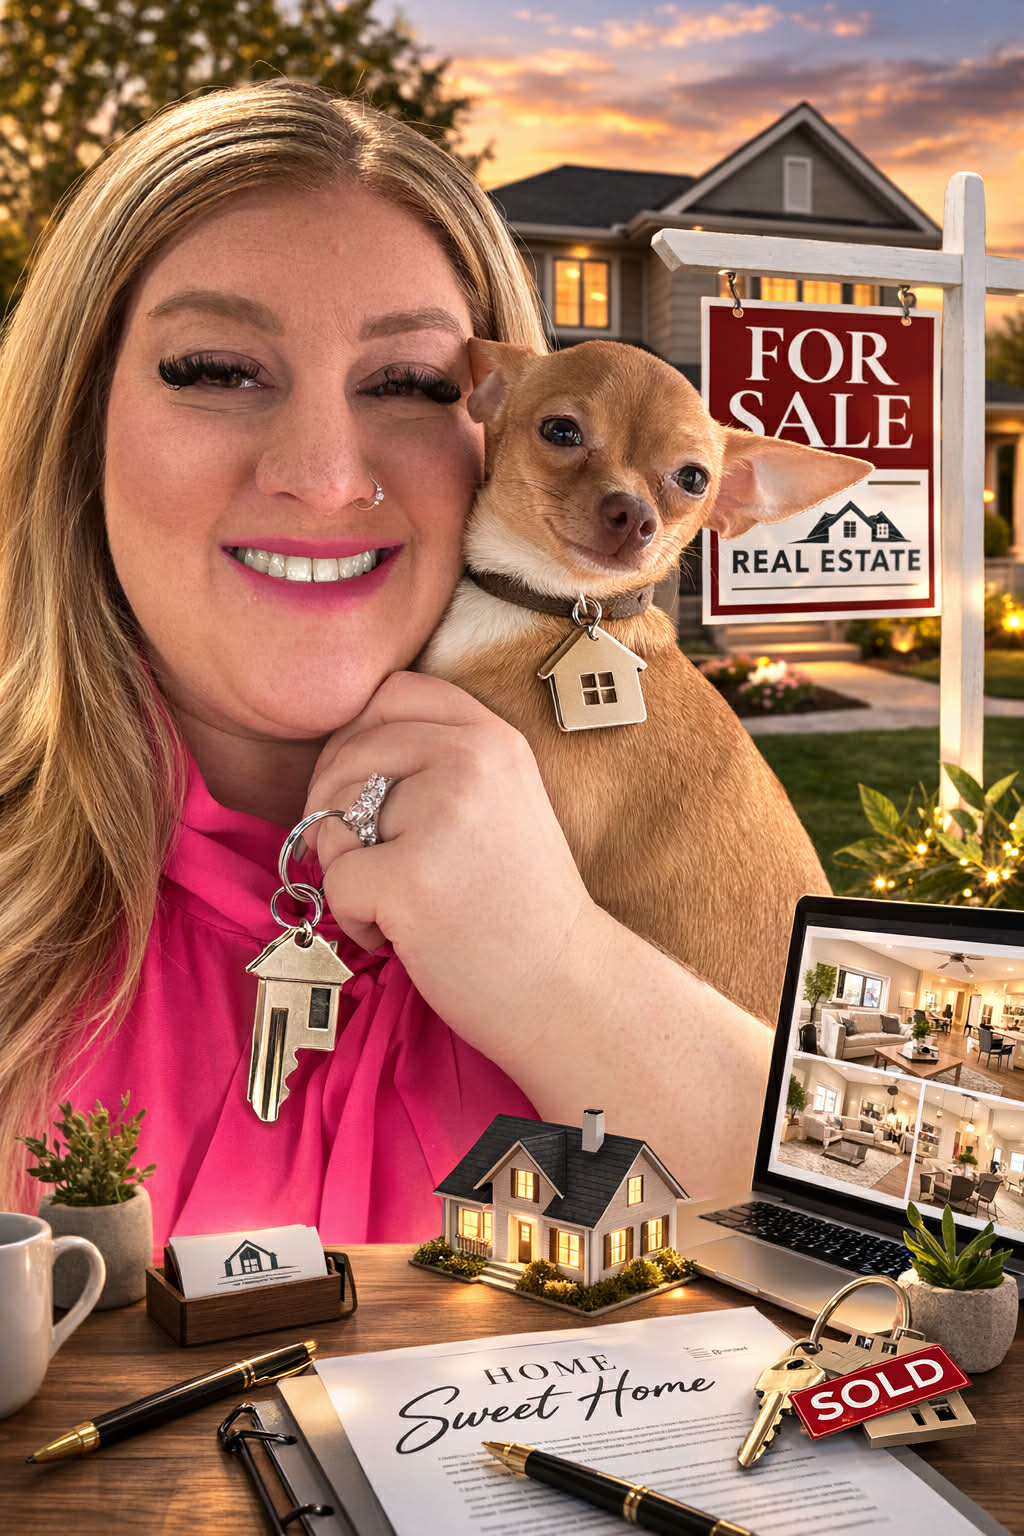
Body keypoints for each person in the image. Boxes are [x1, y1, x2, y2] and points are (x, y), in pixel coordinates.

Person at [0, 79, 772, 1250]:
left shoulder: (661, 818)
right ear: (77, 421)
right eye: (214, 369)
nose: (321, 473)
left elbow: (918, 1295)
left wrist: (564, 972)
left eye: (410, 385)